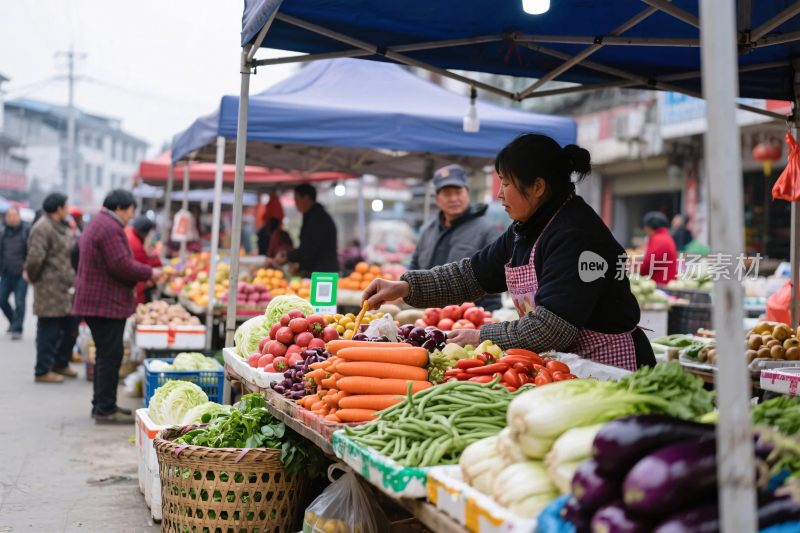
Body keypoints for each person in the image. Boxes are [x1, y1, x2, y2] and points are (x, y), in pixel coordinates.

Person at [363, 134, 655, 371]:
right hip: (567, 364)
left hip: (608, 367)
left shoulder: (575, 234)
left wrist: (482, 336)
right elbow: (471, 274)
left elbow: (553, 328)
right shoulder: (526, 229)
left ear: (538, 186)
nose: (499, 194)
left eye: (505, 183)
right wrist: (405, 287)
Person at [73, 190, 162, 423]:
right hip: (103, 303)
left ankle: (103, 405)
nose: (131, 216)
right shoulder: (109, 227)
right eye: (131, 211)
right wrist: (150, 272)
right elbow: (121, 264)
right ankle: (105, 409)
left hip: (97, 301)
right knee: (109, 356)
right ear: (121, 208)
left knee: (106, 355)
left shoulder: (98, 223)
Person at [409, 164, 503, 311]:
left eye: (458, 192)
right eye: (447, 193)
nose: (453, 198)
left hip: (469, 318)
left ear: (467, 192)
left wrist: (489, 315)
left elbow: (495, 276)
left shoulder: (486, 230)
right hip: (427, 316)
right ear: (437, 198)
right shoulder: (428, 230)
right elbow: (414, 265)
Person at [25, 193, 78, 383]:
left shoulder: (61, 227)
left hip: (64, 289)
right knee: (49, 331)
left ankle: (60, 363)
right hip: (49, 289)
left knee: (70, 327)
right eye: (66, 206)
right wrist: (36, 279)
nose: (68, 209)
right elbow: (34, 259)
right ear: (58, 209)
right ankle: (42, 370)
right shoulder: (43, 227)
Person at [275, 184, 338, 275]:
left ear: (306, 198)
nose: (295, 204)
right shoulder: (313, 215)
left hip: (322, 274)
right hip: (320, 271)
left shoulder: (317, 219)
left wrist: (287, 256)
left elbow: (308, 249)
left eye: (296, 200)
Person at [0, 207, 30, 339]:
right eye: (9, 215)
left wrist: (28, 268)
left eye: (14, 215)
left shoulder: (26, 230)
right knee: (1, 299)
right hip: (6, 273)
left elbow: (32, 251)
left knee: (20, 302)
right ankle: (13, 321)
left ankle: (17, 329)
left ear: (19, 216)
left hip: (21, 274)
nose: (11, 218)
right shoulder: (3, 231)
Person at [125, 215, 162, 304]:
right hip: (135, 286)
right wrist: (151, 275)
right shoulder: (135, 243)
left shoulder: (129, 231)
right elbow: (141, 266)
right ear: (145, 232)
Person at [641, 211, 678, 285]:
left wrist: (640, 271)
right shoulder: (665, 237)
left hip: (661, 284)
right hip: (665, 282)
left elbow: (648, 264)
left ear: (648, 227)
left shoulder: (659, 239)